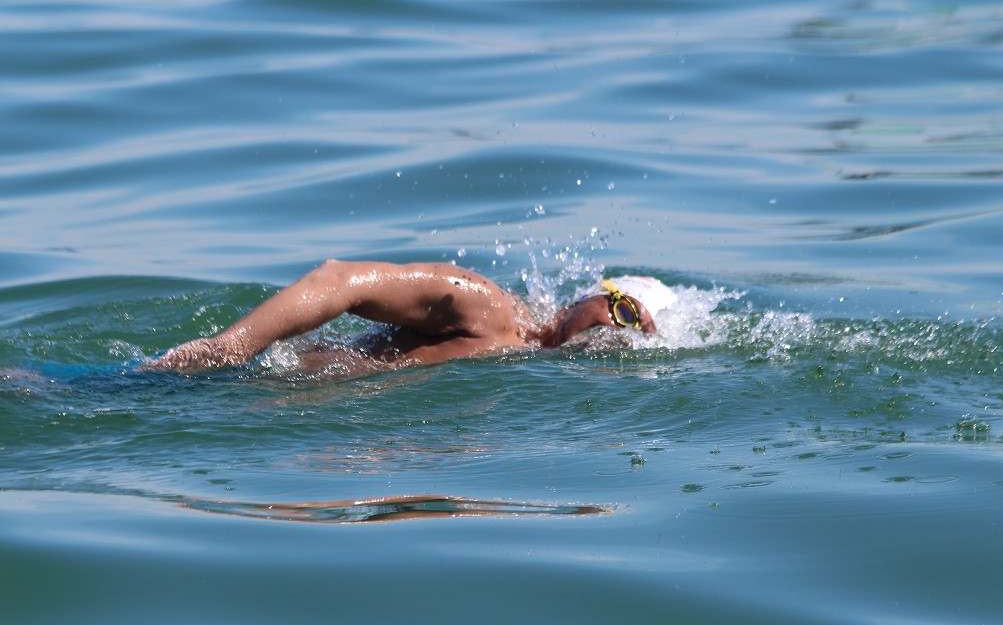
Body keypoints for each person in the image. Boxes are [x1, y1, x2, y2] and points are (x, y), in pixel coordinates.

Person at [148, 259, 675, 373]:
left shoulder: (521, 357)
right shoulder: (489, 307)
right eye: (621, 309)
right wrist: (225, 350)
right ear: (589, 297)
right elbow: (337, 280)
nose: (616, 328)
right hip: (215, 385)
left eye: (637, 329)